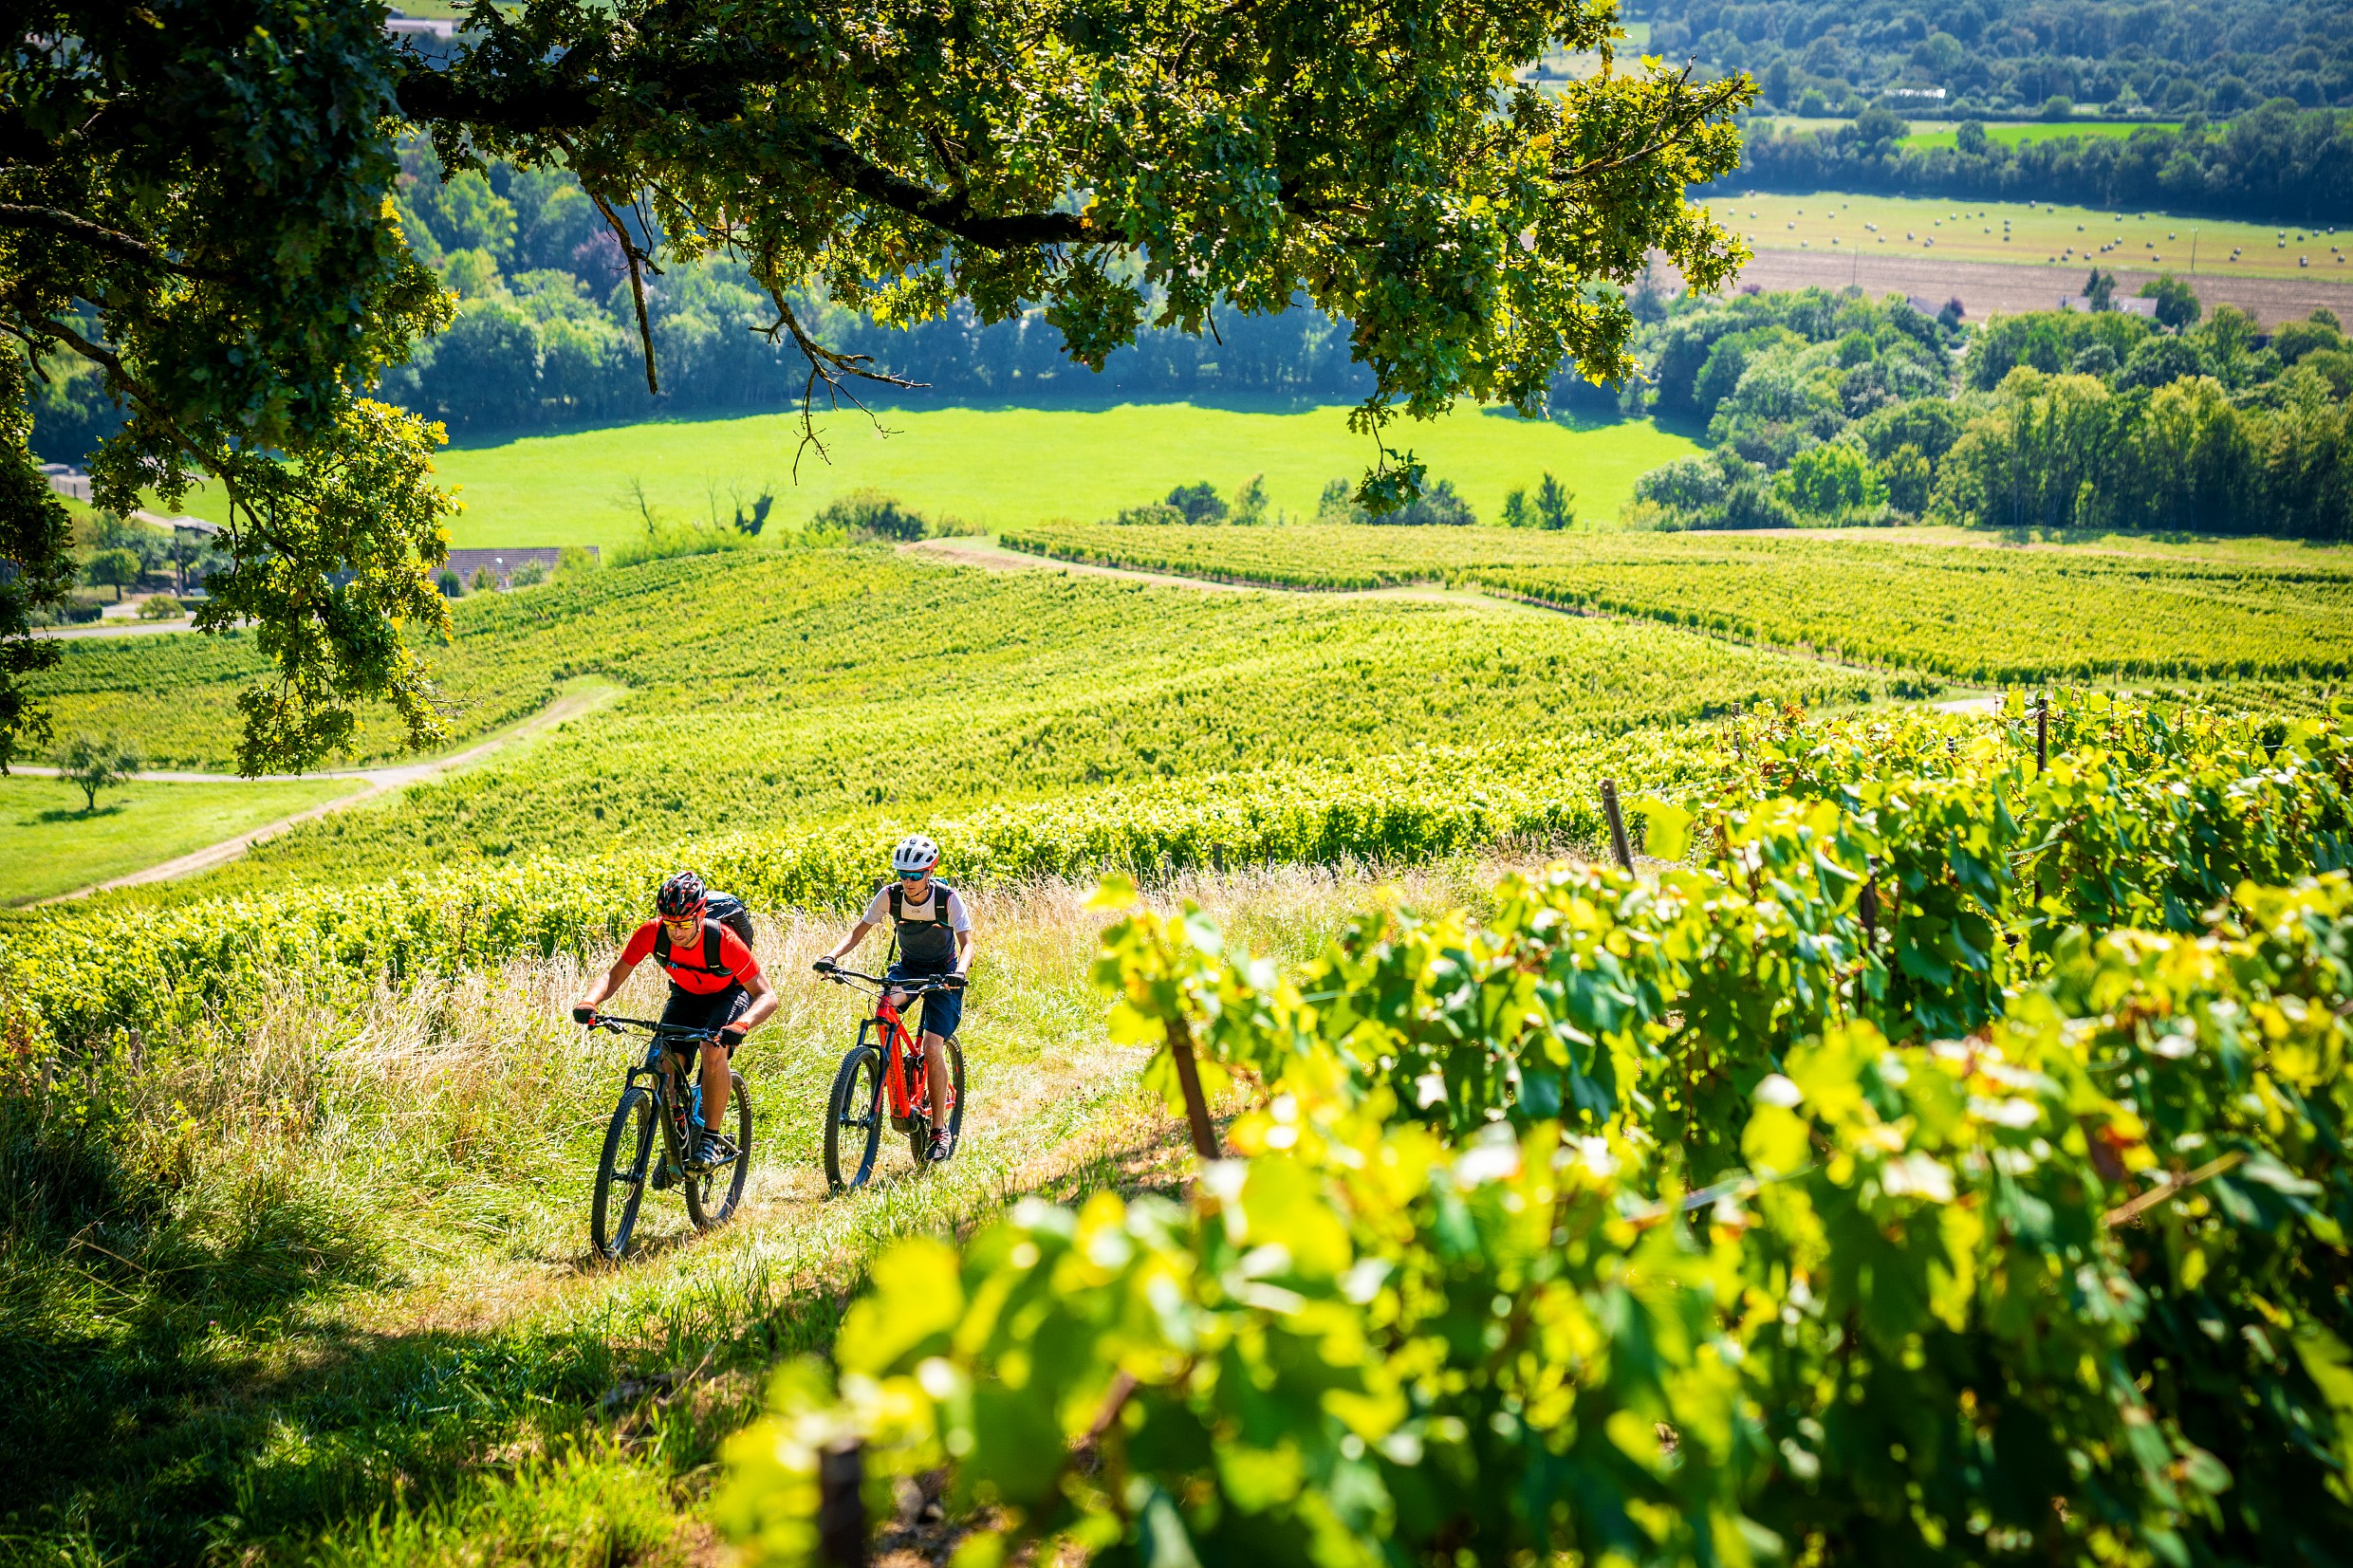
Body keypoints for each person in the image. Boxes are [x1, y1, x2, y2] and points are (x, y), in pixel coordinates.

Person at [573, 871, 776, 1170]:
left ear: (701, 915)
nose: (676, 933)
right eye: (670, 924)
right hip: (687, 995)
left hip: (729, 994)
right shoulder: (651, 933)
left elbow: (767, 996)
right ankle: (676, 1142)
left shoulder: (724, 941)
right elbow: (612, 975)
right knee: (663, 1063)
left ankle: (709, 1138)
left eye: (683, 924)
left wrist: (741, 1025)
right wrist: (589, 1001)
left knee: (712, 1048)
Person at [815, 834, 972, 1161]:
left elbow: (967, 943)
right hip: (908, 969)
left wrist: (960, 973)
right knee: (884, 1010)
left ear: (930, 871)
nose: (908, 881)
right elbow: (857, 931)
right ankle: (896, 1080)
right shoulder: (889, 896)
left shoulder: (947, 899)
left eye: (915, 875)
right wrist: (831, 957)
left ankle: (940, 1130)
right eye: (903, 874)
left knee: (931, 1048)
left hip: (944, 973)